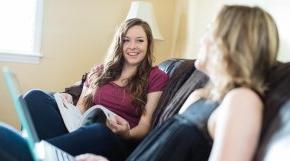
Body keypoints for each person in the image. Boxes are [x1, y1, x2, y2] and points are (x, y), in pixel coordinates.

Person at [0, 4, 283, 161]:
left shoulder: (241, 100)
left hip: (114, 144)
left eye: (210, 31)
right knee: (28, 112)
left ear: (230, 42)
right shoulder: (207, 96)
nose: (201, 39)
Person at [0, 18, 168, 161]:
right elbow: (81, 109)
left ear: (148, 44)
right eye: (127, 40)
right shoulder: (99, 71)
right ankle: (44, 153)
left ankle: (30, 153)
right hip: (83, 130)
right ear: (120, 43)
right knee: (34, 97)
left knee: (98, 131)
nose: (133, 46)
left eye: (140, 40)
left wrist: (127, 133)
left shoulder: (156, 76)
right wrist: (65, 103)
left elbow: (145, 125)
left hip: (114, 140)